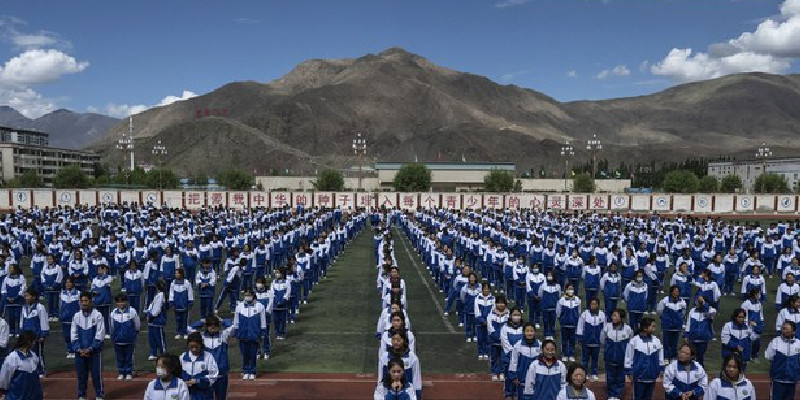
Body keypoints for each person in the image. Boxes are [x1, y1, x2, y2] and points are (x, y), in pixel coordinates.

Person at [71, 291, 105, 400]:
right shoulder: (76, 316)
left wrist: (91, 348)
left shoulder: (98, 315)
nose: (84, 303)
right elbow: (73, 334)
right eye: (82, 301)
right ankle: (81, 395)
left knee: (96, 375)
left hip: (94, 352)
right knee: (81, 375)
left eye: (86, 301)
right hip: (80, 352)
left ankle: (99, 394)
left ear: (91, 301)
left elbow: (100, 333)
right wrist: (78, 349)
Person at [625, 317, 664, 400]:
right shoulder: (634, 341)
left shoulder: (656, 341)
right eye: (652, 326)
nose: (655, 328)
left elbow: (661, 356)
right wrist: (630, 371)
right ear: (645, 328)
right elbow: (629, 357)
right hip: (638, 377)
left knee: (648, 398)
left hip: (652, 377)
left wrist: (661, 369)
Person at [378, 331, 422, 400]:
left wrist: (417, 392)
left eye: (398, 340)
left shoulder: (412, 357)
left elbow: (416, 377)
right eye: (393, 339)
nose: (395, 342)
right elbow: (380, 375)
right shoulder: (384, 357)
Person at [233, 288, 266, 380]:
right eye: (246, 295)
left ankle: (253, 371)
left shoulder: (259, 306)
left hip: (254, 334)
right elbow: (236, 320)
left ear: (253, 295)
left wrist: (263, 332)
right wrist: (236, 331)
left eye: (249, 295)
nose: (247, 297)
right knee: (245, 354)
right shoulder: (239, 306)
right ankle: (245, 371)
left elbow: (263, 320)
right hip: (243, 333)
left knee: (253, 354)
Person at [0, 330, 42, 400]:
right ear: (29, 342)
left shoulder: (33, 356)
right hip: (17, 397)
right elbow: (4, 378)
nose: (35, 343)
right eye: (34, 341)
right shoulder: (13, 358)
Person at [601, 309, 632, 400]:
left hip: (622, 359)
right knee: (610, 377)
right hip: (610, 358)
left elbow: (630, 343)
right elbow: (602, 340)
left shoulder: (628, 329)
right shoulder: (607, 327)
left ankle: (617, 394)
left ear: (621, 318)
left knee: (620, 377)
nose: (612, 317)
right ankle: (611, 394)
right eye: (612, 315)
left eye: (615, 315)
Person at [765, 321, 800, 400]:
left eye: (787, 329)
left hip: (792, 380)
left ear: (793, 331)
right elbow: (769, 356)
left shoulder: (798, 343)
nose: (785, 331)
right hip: (778, 380)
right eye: (783, 329)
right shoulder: (775, 341)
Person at [181, 332, 219, 400]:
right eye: (191, 347)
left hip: (204, 395)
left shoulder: (208, 357)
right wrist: (184, 382)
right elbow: (177, 374)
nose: (194, 349)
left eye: (196, 347)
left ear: (201, 345)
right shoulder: (183, 357)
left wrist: (197, 381)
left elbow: (213, 376)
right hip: (187, 394)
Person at [110, 293, 140, 381]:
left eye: (123, 301)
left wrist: (134, 333)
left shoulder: (132, 311)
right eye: (118, 302)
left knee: (128, 357)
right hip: (117, 340)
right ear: (116, 303)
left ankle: (128, 373)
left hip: (129, 339)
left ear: (126, 302)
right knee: (119, 357)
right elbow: (111, 326)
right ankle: (121, 372)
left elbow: (137, 324)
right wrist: (114, 336)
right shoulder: (113, 313)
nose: (121, 304)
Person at [19, 288, 48, 377]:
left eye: (29, 296)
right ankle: (29, 369)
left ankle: (41, 370)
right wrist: (21, 332)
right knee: (27, 353)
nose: (27, 298)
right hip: (26, 335)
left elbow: (44, 321)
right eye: (26, 296)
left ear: (34, 297)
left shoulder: (40, 307)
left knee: (38, 354)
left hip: (36, 335)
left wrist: (43, 334)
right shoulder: (24, 308)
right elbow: (22, 321)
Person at [508, 323, 540, 400]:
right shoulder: (518, 345)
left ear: (535, 332)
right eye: (527, 331)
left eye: (532, 331)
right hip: (522, 380)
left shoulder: (540, 345)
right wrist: (513, 376)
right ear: (523, 332)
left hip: (536, 380)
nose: (529, 333)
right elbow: (513, 362)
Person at [657, 286, 687, 365]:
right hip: (667, 326)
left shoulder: (682, 301)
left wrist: (679, 319)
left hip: (677, 326)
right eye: (675, 291)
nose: (676, 292)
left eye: (677, 291)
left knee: (674, 343)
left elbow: (683, 312)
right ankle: (666, 357)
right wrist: (665, 318)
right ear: (671, 292)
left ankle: (673, 357)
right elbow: (660, 310)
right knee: (666, 343)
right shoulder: (665, 300)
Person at [576, 297, 605, 381]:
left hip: (597, 341)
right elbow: (580, 326)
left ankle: (594, 373)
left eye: (595, 304)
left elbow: (604, 328)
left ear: (598, 305)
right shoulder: (585, 314)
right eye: (592, 304)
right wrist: (580, 337)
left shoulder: (602, 314)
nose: (594, 306)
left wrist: (603, 339)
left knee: (595, 358)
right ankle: (585, 373)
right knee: (585, 358)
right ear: (589, 305)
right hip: (586, 340)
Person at [500, 306, 524, 398]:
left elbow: (524, 340)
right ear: (510, 316)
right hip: (508, 355)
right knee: (508, 375)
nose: (516, 317)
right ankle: (508, 392)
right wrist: (512, 351)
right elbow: (504, 340)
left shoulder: (523, 327)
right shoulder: (505, 327)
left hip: (520, 355)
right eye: (514, 315)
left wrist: (518, 352)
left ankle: (516, 392)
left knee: (518, 375)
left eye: (518, 315)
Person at [685, 296, 716, 364]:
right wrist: (686, 335)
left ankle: (700, 371)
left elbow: (712, 314)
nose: (698, 303)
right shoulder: (692, 311)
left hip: (703, 339)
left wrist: (703, 303)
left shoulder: (711, 310)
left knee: (700, 357)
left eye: (700, 301)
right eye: (697, 301)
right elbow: (688, 323)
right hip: (693, 338)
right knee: (691, 357)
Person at [556, 283, 580, 362]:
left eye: (572, 289)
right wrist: (561, 319)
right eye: (569, 289)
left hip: (573, 324)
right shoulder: (562, 300)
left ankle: (571, 354)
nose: (570, 291)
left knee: (572, 340)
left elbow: (578, 311)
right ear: (566, 290)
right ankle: (564, 354)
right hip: (564, 324)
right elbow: (558, 311)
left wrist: (576, 319)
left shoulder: (577, 300)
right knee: (564, 339)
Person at [488, 295, 509, 381]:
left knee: (502, 357)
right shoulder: (492, 313)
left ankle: (501, 372)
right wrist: (494, 335)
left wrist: (504, 337)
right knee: (494, 357)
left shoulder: (508, 314)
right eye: (499, 303)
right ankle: (494, 372)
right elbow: (490, 327)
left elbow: (509, 327)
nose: (501, 305)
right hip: (494, 340)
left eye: (502, 303)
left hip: (504, 341)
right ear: (496, 304)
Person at [145, 280, 168, 361]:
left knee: (159, 338)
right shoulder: (157, 295)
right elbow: (152, 305)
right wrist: (148, 312)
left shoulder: (161, 295)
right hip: (152, 321)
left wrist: (151, 315)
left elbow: (157, 309)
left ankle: (163, 353)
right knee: (152, 338)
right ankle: (153, 353)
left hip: (157, 320)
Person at [169, 269, 194, 339]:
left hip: (184, 304)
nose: (176, 275)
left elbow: (190, 293)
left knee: (185, 319)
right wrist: (171, 302)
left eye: (177, 273)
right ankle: (178, 332)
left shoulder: (187, 283)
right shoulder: (173, 283)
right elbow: (171, 293)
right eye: (175, 273)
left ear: (181, 274)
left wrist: (190, 301)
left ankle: (185, 332)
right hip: (177, 305)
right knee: (178, 319)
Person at [60, 277, 80, 358]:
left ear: (73, 284)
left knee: (75, 334)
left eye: (69, 282)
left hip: (74, 318)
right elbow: (60, 305)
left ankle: (75, 349)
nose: (68, 284)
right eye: (66, 282)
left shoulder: (78, 293)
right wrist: (61, 315)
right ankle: (69, 350)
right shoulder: (62, 293)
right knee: (67, 335)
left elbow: (80, 306)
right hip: (65, 318)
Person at [474, 282, 495, 360]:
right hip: (480, 322)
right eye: (485, 288)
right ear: (482, 289)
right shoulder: (477, 298)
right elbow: (477, 311)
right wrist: (482, 320)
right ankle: (480, 352)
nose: (486, 290)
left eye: (488, 289)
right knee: (480, 338)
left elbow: (493, 310)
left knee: (488, 338)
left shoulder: (493, 298)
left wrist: (488, 321)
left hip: (489, 323)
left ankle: (486, 352)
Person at [623, 270, 648, 334]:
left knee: (639, 323)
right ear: (635, 277)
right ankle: (631, 335)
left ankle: (637, 335)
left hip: (641, 308)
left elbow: (646, 296)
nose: (640, 277)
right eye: (638, 276)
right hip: (632, 308)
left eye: (641, 276)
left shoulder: (645, 285)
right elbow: (626, 295)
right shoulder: (629, 285)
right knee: (632, 323)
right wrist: (630, 302)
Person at [254, 276, 273, 360]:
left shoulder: (269, 292)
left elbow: (270, 304)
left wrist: (266, 312)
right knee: (256, 335)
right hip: (256, 317)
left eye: (260, 282)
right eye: (257, 282)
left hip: (266, 317)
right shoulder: (254, 293)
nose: (258, 284)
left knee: (266, 335)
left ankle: (266, 352)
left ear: (264, 284)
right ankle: (257, 352)